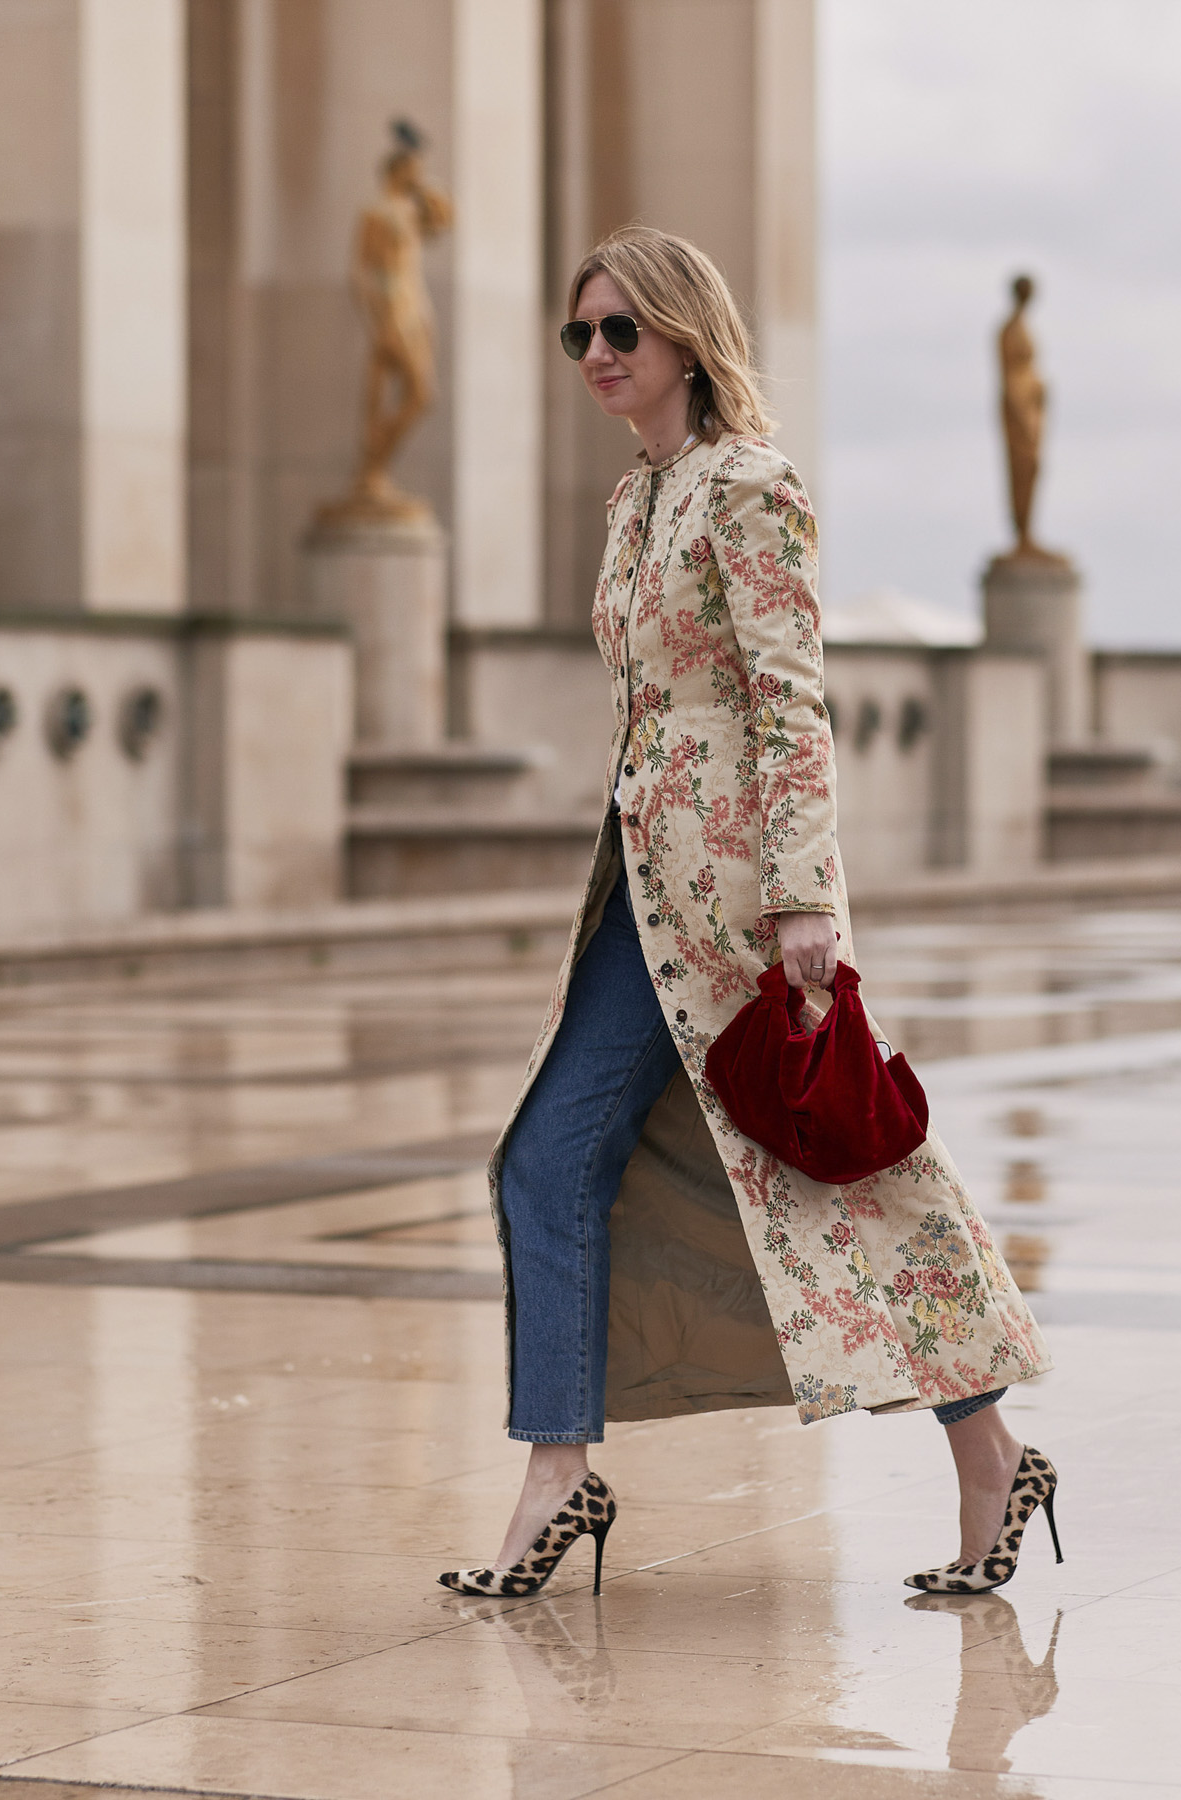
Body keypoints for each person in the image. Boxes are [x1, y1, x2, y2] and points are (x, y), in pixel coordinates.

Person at [439, 227, 1054, 1601]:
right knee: (548, 1159)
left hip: (736, 903)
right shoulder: (633, 502)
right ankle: (558, 1469)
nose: (598, 355)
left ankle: (990, 1452)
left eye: (621, 331)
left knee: (845, 1162)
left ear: (685, 334)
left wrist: (804, 899)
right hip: (639, 891)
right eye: (580, 334)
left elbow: (790, 701)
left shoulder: (752, 487)